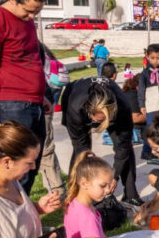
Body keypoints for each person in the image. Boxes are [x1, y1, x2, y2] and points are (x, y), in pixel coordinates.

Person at [0, 0, 50, 192]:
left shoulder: (27, 22)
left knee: (28, 167)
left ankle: (20, 215)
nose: (32, 16)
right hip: (11, 106)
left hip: (33, 104)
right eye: (28, 10)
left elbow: (29, 59)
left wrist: (41, 96)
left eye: (37, 12)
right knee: (9, 168)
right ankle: (1, 215)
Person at [63, 152, 147, 238]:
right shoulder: (87, 216)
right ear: (84, 183)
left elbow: (101, 237)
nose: (108, 190)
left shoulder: (76, 204)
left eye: (109, 185)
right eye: (103, 186)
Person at [60, 74, 142, 206]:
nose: (102, 124)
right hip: (73, 94)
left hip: (116, 111)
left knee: (125, 147)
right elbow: (82, 149)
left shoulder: (123, 106)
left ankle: (131, 194)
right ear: (89, 112)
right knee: (81, 150)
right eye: (99, 120)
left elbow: (123, 146)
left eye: (107, 120)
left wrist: (114, 176)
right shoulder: (76, 108)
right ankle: (74, 193)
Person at [37, 44, 70, 198]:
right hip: (50, 93)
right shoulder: (45, 52)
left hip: (42, 98)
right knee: (46, 147)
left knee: (45, 149)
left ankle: (57, 190)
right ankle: (56, 187)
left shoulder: (33, 52)